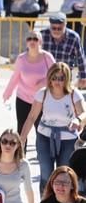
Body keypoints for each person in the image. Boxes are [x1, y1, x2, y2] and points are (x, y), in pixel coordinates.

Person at [19, 63, 86, 192]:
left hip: (68, 139)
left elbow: (84, 113)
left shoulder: (73, 94)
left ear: (66, 79)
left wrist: (77, 120)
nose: (57, 81)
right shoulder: (43, 94)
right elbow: (31, 117)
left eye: (61, 78)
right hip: (44, 138)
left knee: (65, 175)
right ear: (49, 78)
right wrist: (22, 139)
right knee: (46, 175)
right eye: (54, 78)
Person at [3, 30, 56, 136]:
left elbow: (57, 74)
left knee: (41, 131)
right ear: (26, 42)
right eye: (29, 39)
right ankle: (21, 152)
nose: (32, 41)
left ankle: (41, 152)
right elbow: (15, 77)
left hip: (41, 100)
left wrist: (44, 82)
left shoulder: (47, 57)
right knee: (22, 130)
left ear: (40, 42)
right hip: (23, 98)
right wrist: (7, 93)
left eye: (35, 39)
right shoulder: (21, 58)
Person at [39, 12, 86, 87]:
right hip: (45, 76)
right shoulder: (42, 35)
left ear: (65, 25)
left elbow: (80, 58)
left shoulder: (74, 37)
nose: (56, 31)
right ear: (50, 26)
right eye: (54, 28)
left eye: (59, 28)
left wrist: (83, 76)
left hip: (65, 77)